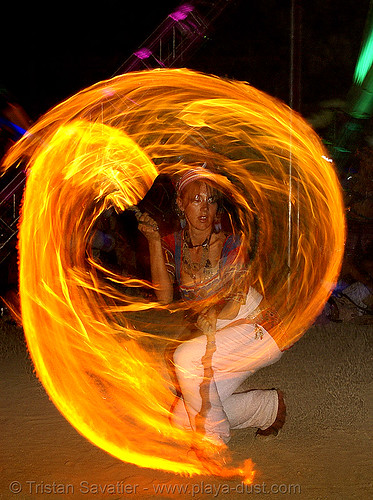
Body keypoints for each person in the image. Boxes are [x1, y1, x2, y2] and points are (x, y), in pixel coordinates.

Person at [138, 167, 286, 466]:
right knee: (182, 421)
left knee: (185, 358)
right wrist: (154, 241)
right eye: (196, 200)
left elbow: (234, 301)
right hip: (219, 337)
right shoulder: (173, 244)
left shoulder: (229, 241)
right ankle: (266, 408)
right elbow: (165, 297)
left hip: (258, 328)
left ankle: (214, 444)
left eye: (211, 201)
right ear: (181, 204)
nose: (205, 208)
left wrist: (213, 311)